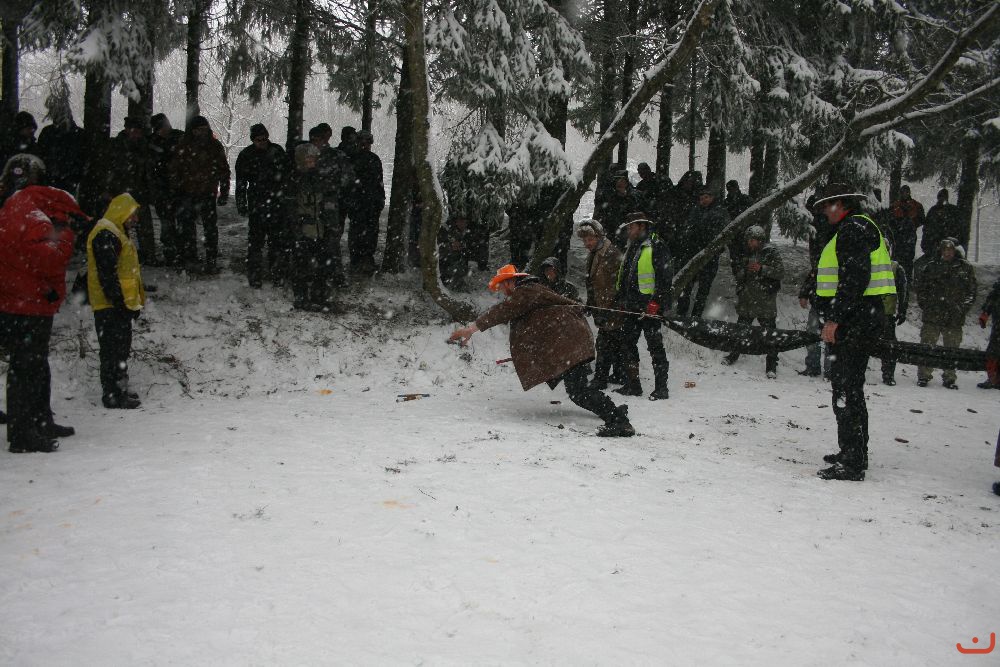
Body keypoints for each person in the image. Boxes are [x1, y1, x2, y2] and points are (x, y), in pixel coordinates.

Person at [449, 265, 635, 437]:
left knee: (578, 392)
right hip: (569, 343)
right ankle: (613, 411)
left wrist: (471, 329)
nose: (503, 292)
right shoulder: (531, 291)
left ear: (509, 281)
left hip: (569, 344)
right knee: (578, 388)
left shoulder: (526, 291)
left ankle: (619, 421)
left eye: (501, 287)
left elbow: (502, 311)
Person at [813, 182, 895, 481]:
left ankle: (852, 460)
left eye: (827, 206)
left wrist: (835, 319)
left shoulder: (852, 230)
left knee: (846, 389)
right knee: (850, 388)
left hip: (855, 320)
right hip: (863, 316)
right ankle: (854, 450)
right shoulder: (860, 226)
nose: (825, 211)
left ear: (841, 204)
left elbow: (854, 278)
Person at [0, 182, 86, 452]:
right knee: (27, 368)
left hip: (23, 302)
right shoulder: (35, 219)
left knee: (32, 366)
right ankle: (23, 433)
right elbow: (51, 259)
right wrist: (66, 232)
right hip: (28, 305)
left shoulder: (18, 212)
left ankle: (39, 421)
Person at [87, 193, 146, 409]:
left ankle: (119, 388)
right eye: (133, 215)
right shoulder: (106, 233)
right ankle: (112, 393)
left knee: (120, 348)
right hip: (109, 304)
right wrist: (119, 302)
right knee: (112, 350)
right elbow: (107, 274)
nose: (135, 219)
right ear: (122, 212)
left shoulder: (116, 232)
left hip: (118, 303)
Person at [614, 213, 672, 400]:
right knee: (627, 344)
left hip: (650, 307)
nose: (628, 230)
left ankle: (661, 388)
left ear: (642, 226)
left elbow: (665, 278)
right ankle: (633, 385)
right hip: (631, 306)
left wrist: (656, 302)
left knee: (655, 347)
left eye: (631, 227)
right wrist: (621, 299)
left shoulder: (657, 246)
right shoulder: (632, 246)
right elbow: (625, 276)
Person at [169, 115, 230, 274]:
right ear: (193, 130)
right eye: (198, 130)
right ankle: (191, 259)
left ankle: (211, 260)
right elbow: (174, 170)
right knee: (188, 228)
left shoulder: (214, 146)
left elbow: (224, 170)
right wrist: (176, 191)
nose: (202, 132)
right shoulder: (184, 146)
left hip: (207, 193)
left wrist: (224, 192)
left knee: (209, 229)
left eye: (204, 129)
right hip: (187, 193)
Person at [721, 225, 784, 377]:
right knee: (740, 331)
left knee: (770, 335)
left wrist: (762, 269)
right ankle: (733, 355)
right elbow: (738, 273)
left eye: (752, 240)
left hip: (765, 301)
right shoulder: (745, 252)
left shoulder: (771, 252)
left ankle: (771, 366)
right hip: (748, 300)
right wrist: (743, 272)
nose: (750, 243)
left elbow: (780, 272)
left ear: (759, 240)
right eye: (749, 240)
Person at [914, 238, 977, 389]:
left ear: (955, 251)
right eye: (945, 250)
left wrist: (962, 308)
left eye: (950, 250)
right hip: (932, 315)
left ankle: (949, 377)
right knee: (927, 347)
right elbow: (921, 288)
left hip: (954, 317)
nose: (947, 253)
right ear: (941, 251)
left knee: (952, 349)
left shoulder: (965, 268)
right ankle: (924, 375)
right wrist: (926, 305)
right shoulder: (931, 267)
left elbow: (972, 291)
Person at [236, 123, 290, 288]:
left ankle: (277, 273)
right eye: (259, 140)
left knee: (276, 241)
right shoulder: (246, 155)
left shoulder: (277, 151)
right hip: (257, 202)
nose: (262, 142)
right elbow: (241, 181)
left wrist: (286, 197)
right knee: (256, 241)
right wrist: (241, 203)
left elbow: (287, 174)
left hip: (276, 202)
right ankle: (255, 275)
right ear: (253, 140)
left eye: (264, 139)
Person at [286, 143, 337, 311]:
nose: (311, 162)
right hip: (302, 230)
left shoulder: (321, 178)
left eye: (313, 159)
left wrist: (330, 223)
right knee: (301, 266)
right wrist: (296, 227)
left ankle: (319, 295)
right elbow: (289, 207)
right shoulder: (293, 180)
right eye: (308, 159)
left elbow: (329, 201)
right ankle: (301, 297)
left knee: (323, 265)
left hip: (321, 229)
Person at [577, 219, 625, 390]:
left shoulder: (611, 254)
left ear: (599, 237)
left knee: (604, 344)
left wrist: (608, 309)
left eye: (590, 239)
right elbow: (593, 283)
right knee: (615, 342)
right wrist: (591, 304)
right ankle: (619, 374)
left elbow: (615, 285)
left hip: (612, 307)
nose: (587, 243)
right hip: (603, 306)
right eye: (584, 240)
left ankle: (601, 379)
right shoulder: (595, 253)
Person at [104, 116, 158, 265]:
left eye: (138, 132)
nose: (136, 134)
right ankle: (123, 255)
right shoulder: (117, 146)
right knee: (121, 226)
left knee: (144, 225)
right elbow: (109, 170)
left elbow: (148, 171)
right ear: (127, 130)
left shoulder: (143, 146)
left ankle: (148, 255)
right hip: (121, 191)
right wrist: (109, 189)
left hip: (139, 191)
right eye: (134, 131)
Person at [675, 187, 729, 318]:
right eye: (701, 198)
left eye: (706, 197)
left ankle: (696, 316)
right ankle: (682, 313)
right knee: (687, 286)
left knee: (703, 289)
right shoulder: (696, 211)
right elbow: (688, 230)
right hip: (692, 253)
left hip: (709, 256)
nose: (703, 200)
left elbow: (720, 233)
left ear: (712, 197)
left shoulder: (720, 212)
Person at [311, 123, 353, 285]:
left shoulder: (337, 155)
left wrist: (331, 186)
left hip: (330, 203)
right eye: (314, 139)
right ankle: (316, 272)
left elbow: (348, 177)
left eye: (320, 139)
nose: (318, 143)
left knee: (331, 239)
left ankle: (335, 274)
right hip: (310, 204)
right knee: (312, 238)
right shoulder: (307, 155)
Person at [147, 114, 185, 266]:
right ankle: (171, 254)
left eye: (166, 125)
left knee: (180, 223)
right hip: (162, 190)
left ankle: (181, 253)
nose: (166, 128)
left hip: (178, 189)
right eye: (162, 127)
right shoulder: (152, 143)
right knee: (167, 224)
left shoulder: (178, 137)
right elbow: (150, 169)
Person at [346, 130, 384, 277]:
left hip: (370, 202)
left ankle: (366, 259)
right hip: (359, 202)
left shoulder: (374, 159)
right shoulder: (353, 159)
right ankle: (357, 260)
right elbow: (349, 182)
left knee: (370, 231)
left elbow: (379, 181)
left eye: (367, 142)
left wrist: (380, 199)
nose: (364, 145)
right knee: (358, 231)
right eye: (362, 142)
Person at [36, 87, 86, 195]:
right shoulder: (48, 133)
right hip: (55, 180)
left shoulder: (48, 133)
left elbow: (82, 158)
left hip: (67, 180)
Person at [878, 241, 909, 386]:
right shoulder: (867, 264)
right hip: (866, 313)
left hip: (886, 313)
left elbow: (904, 291)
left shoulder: (896, 268)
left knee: (889, 345)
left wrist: (902, 310)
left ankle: (888, 374)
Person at [594, 171, 641, 249]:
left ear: (626, 183)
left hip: (626, 231)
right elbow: (604, 212)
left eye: (622, 180)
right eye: (617, 180)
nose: (619, 183)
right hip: (611, 230)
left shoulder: (633, 196)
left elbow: (635, 212)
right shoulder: (609, 196)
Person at [889, 184, 924, 281]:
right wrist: (897, 225)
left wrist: (912, 223)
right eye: (903, 192)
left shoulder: (916, 205)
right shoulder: (895, 205)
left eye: (906, 192)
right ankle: (896, 278)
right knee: (897, 257)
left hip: (910, 236)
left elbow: (922, 219)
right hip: (898, 237)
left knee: (908, 259)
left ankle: (907, 279)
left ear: (909, 193)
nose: (905, 194)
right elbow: (890, 220)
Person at [921, 188, 964, 256]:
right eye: (940, 197)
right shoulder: (933, 210)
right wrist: (925, 243)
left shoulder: (952, 210)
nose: (942, 199)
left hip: (947, 243)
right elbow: (926, 227)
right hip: (933, 243)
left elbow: (958, 227)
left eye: (943, 197)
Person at [438, 214, 475, 290]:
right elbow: (439, 246)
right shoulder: (447, 231)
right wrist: (450, 246)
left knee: (463, 268)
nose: (463, 224)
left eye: (465, 222)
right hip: (444, 262)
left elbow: (467, 249)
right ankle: (449, 283)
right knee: (456, 269)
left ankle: (456, 283)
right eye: (461, 222)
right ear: (456, 222)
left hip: (456, 261)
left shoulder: (465, 233)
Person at [724, 180, 753, 275]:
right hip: (734, 234)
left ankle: (745, 274)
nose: (731, 191)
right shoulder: (727, 202)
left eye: (732, 188)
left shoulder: (745, 199)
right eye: (729, 189)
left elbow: (751, 214)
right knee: (735, 258)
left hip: (744, 232)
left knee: (745, 256)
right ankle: (738, 274)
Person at [977, 278, 1000, 390]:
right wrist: (985, 314)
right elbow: (991, 301)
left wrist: (985, 314)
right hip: (998, 326)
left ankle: (994, 379)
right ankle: (993, 379)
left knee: (993, 353)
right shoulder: (997, 290)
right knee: (993, 353)